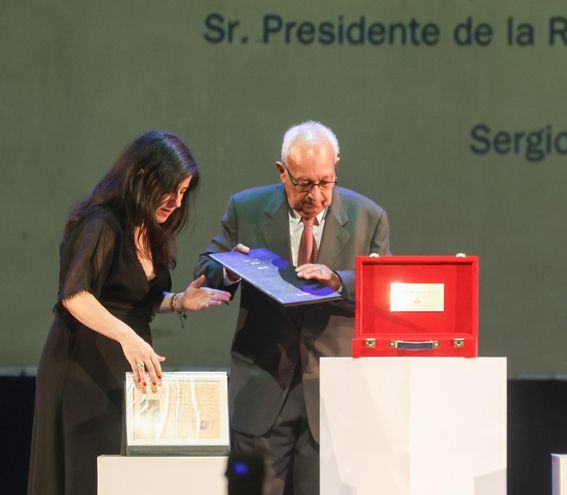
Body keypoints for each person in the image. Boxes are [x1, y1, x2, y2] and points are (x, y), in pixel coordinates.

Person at [28, 131, 232, 495]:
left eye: (184, 193)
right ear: (141, 177)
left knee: (119, 477)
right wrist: (127, 336)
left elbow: (134, 298)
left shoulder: (150, 230)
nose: (176, 201)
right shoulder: (101, 224)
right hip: (83, 367)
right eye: (171, 190)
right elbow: (75, 295)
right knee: (85, 474)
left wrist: (179, 301)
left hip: (126, 367)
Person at [195, 121, 391, 495]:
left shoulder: (369, 216)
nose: (316, 196)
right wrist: (231, 270)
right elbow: (206, 268)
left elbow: (383, 291)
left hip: (333, 395)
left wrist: (337, 280)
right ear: (282, 172)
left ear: (336, 166)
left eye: (326, 181)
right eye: (304, 184)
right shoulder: (246, 208)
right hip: (262, 388)